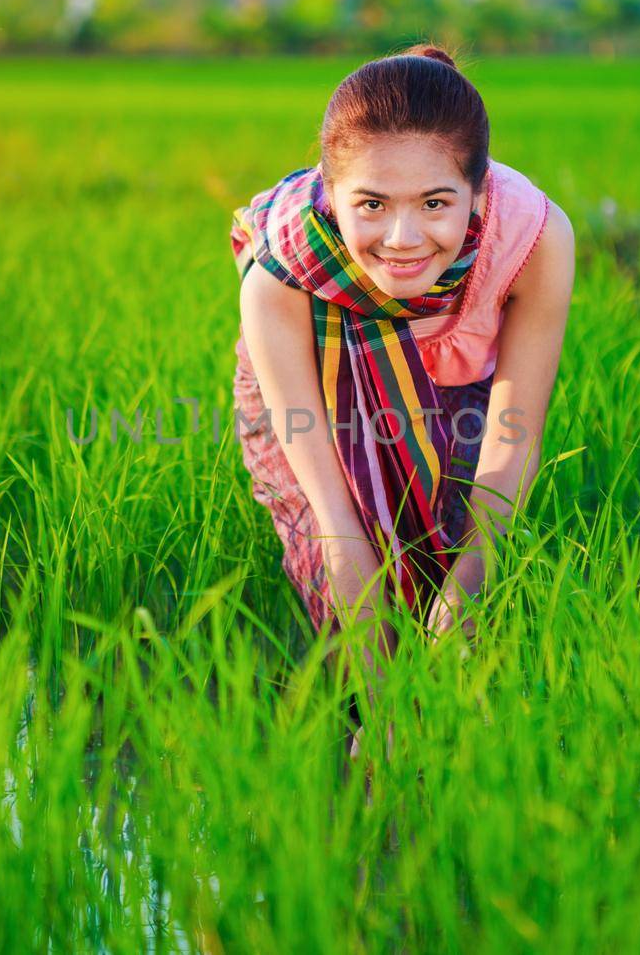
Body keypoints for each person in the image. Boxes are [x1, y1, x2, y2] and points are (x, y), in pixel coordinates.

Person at [229, 44, 576, 759]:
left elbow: (512, 438)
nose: (403, 238)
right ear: (331, 193)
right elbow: (333, 514)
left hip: (458, 389)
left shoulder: (534, 238)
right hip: (315, 394)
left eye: (435, 203)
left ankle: (446, 738)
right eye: (372, 204)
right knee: (354, 596)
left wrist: (468, 583)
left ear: (479, 194)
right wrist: (387, 695)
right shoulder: (283, 271)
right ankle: (361, 730)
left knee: (450, 565)